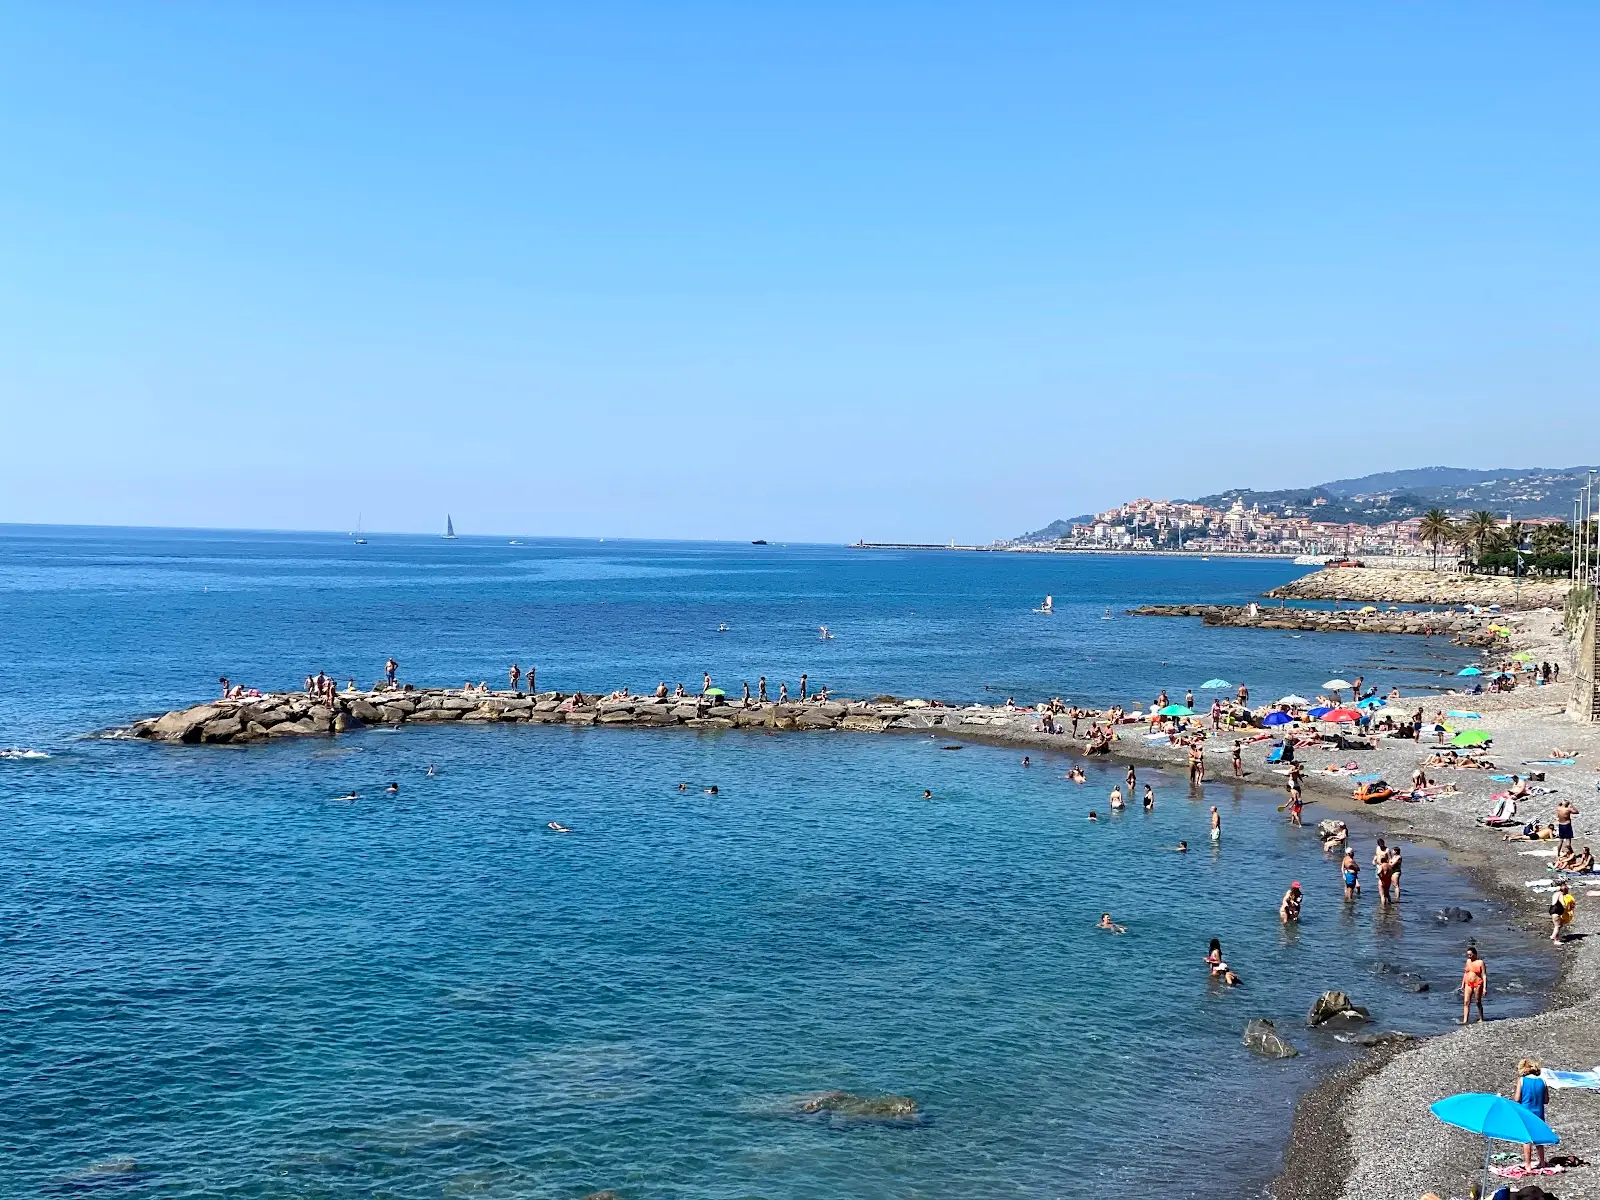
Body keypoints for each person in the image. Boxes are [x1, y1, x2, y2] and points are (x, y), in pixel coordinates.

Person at [1514, 1058, 1549, 1170]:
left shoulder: (1522, 1080)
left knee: (1527, 1139)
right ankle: (1542, 1162)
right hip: (1539, 1112)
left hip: (1526, 1111)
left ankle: (1528, 1165)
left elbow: (1517, 1098)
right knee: (1539, 1137)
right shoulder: (1542, 1081)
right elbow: (1546, 1100)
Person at [1460, 947, 1486, 1023]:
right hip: (1468, 983)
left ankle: (1481, 1018)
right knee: (1466, 1002)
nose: (1469, 956)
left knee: (1478, 1001)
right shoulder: (1468, 961)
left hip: (1477, 984)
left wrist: (1484, 988)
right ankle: (1465, 1020)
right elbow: (1466, 973)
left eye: (1470, 955)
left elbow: (1484, 975)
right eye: (1468, 955)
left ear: (1475, 954)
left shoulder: (1480, 962)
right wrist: (1462, 984)